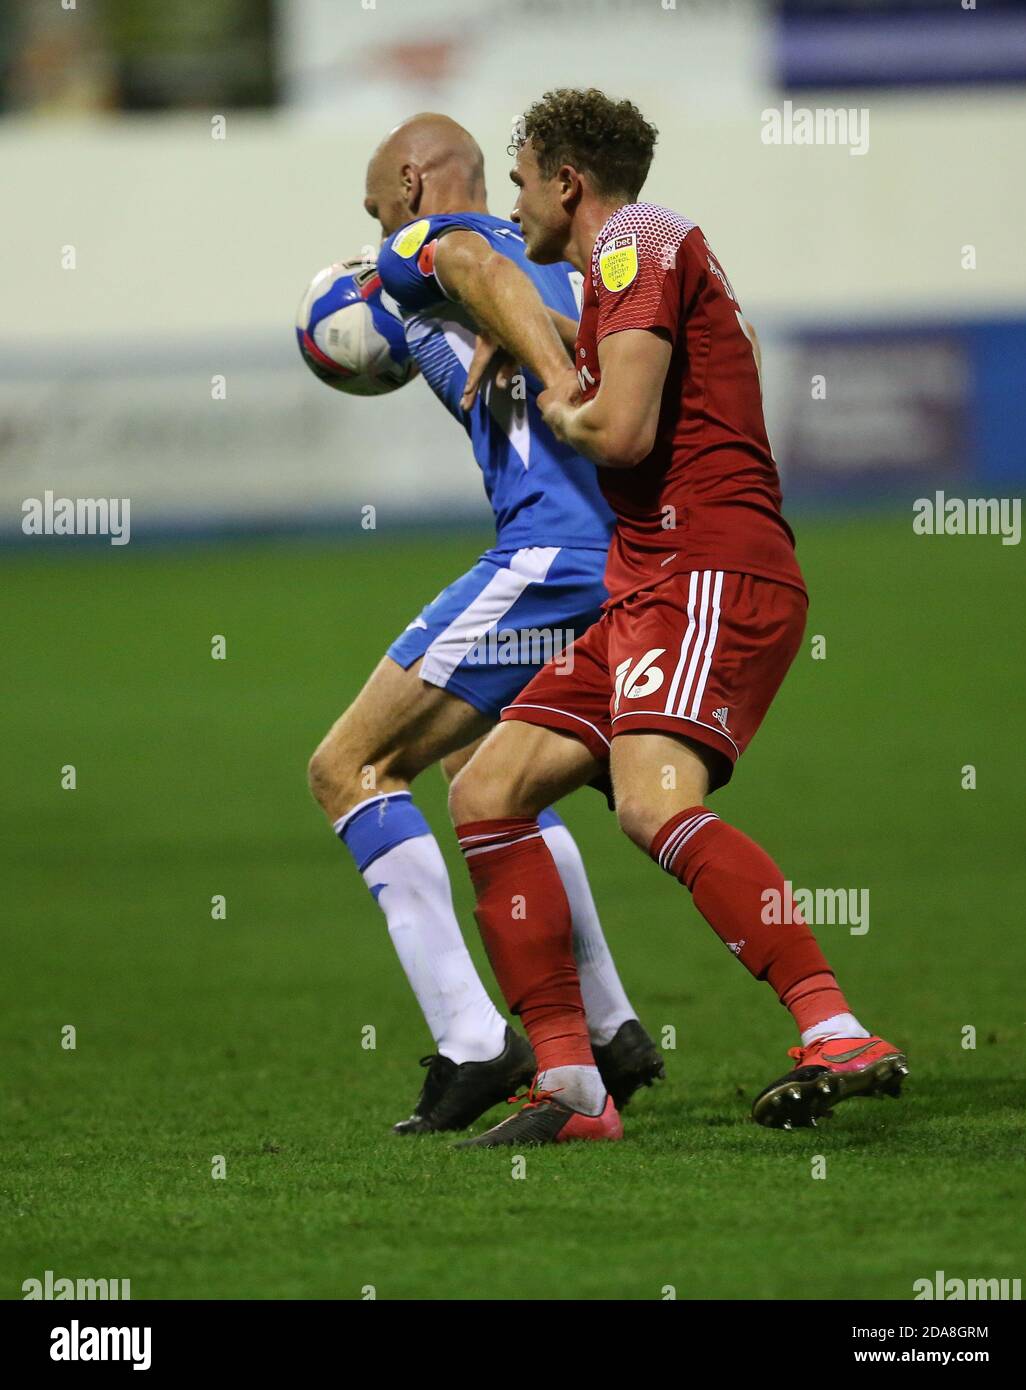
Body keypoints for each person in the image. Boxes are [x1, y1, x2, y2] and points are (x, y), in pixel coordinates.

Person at [446, 89, 907, 1146]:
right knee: (488, 789)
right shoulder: (625, 274)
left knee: (651, 802)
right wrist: (545, 339)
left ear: (568, 181)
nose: (514, 200)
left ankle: (832, 1024)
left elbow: (614, 430)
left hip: (708, 567)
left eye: (519, 179)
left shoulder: (640, 240)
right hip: (646, 580)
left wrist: (555, 391)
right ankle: (567, 1085)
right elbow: (619, 376)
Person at [307, 113, 664, 1136]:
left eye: (376, 203)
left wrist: (545, 366)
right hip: (629, 562)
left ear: (415, 182)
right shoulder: (576, 263)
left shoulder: (427, 244)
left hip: (551, 558)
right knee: (497, 778)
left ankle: (473, 1038)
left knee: (349, 768)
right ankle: (610, 1030)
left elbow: (461, 253)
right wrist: (547, 339)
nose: (375, 226)